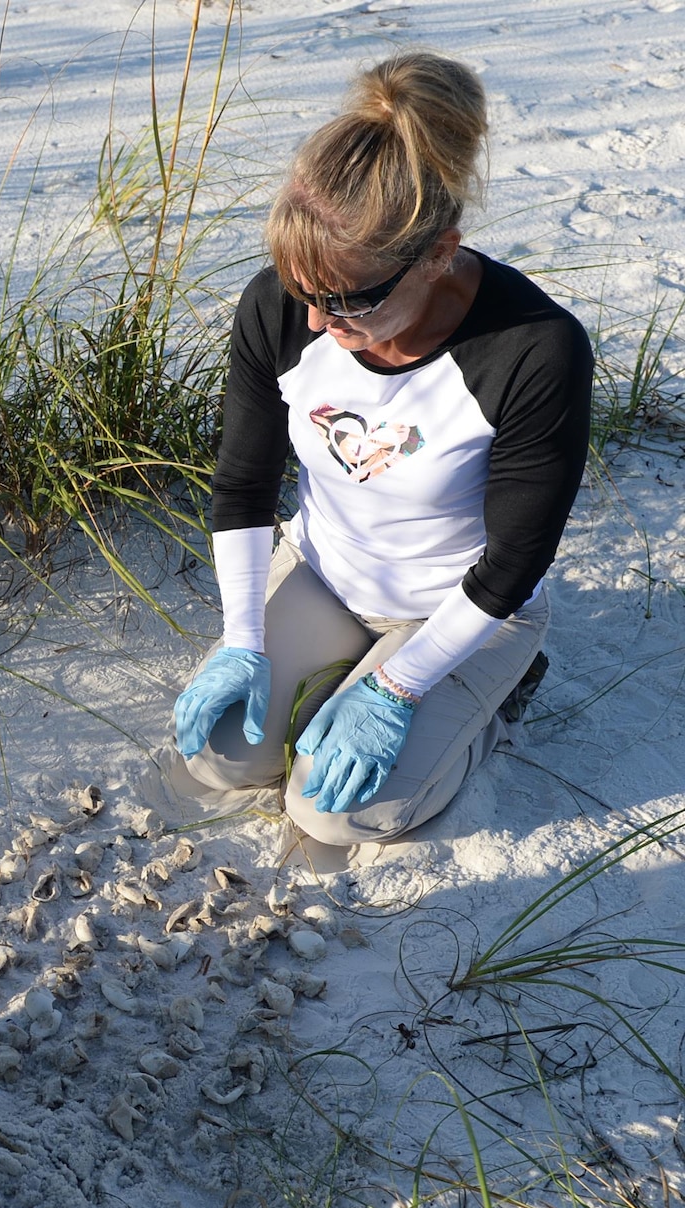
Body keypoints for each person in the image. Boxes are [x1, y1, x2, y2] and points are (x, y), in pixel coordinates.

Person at [173, 51, 592, 846]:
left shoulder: (534, 349)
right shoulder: (283, 306)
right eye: (305, 294)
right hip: (331, 577)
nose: (323, 325)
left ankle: (495, 700)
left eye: (351, 300)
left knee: (335, 814)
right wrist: (243, 642)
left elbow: (513, 563)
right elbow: (243, 485)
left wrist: (396, 690)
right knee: (219, 756)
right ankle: (343, 671)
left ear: (439, 253)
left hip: (465, 607)